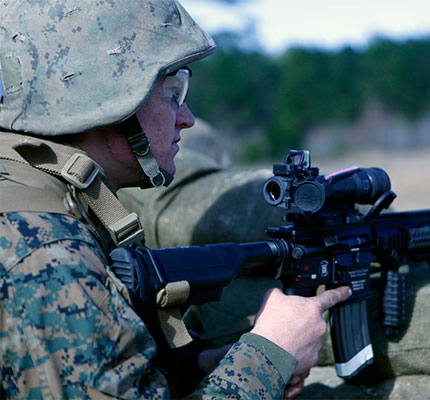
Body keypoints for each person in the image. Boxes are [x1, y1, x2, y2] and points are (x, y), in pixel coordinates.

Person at [0, 1, 350, 398]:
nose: (187, 117)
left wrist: (197, 367)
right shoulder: (49, 256)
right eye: (172, 92)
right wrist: (269, 354)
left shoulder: (34, 203)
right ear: (113, 99)